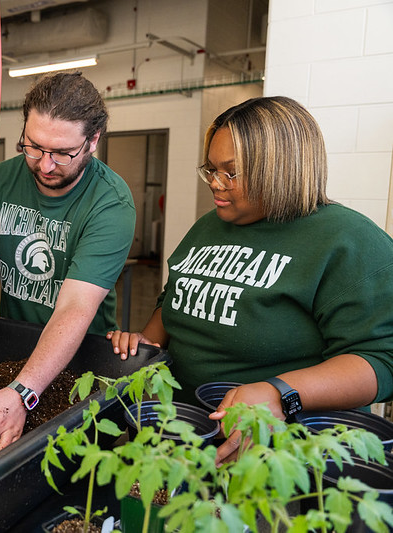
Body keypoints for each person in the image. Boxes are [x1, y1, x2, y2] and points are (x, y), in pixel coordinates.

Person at [108, 96, 393, 465]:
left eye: (231, 172)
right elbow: (174, 298)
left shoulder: (348, 241)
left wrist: (280, 394)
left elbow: (381, 359)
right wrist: (146, 344)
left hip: (280, 456)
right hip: (184, 436)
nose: (215, 183)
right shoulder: (209, 226)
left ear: (281, 168)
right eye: (210, 169)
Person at [0, 72, 136, 461]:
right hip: (14, 351)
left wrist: (22, 393)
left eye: (62, 153)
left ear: (94, 140)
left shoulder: (110, 203)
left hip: (79, 364)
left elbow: (74, 309)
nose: (45, 165)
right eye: (33, 148)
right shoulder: (0, 179)